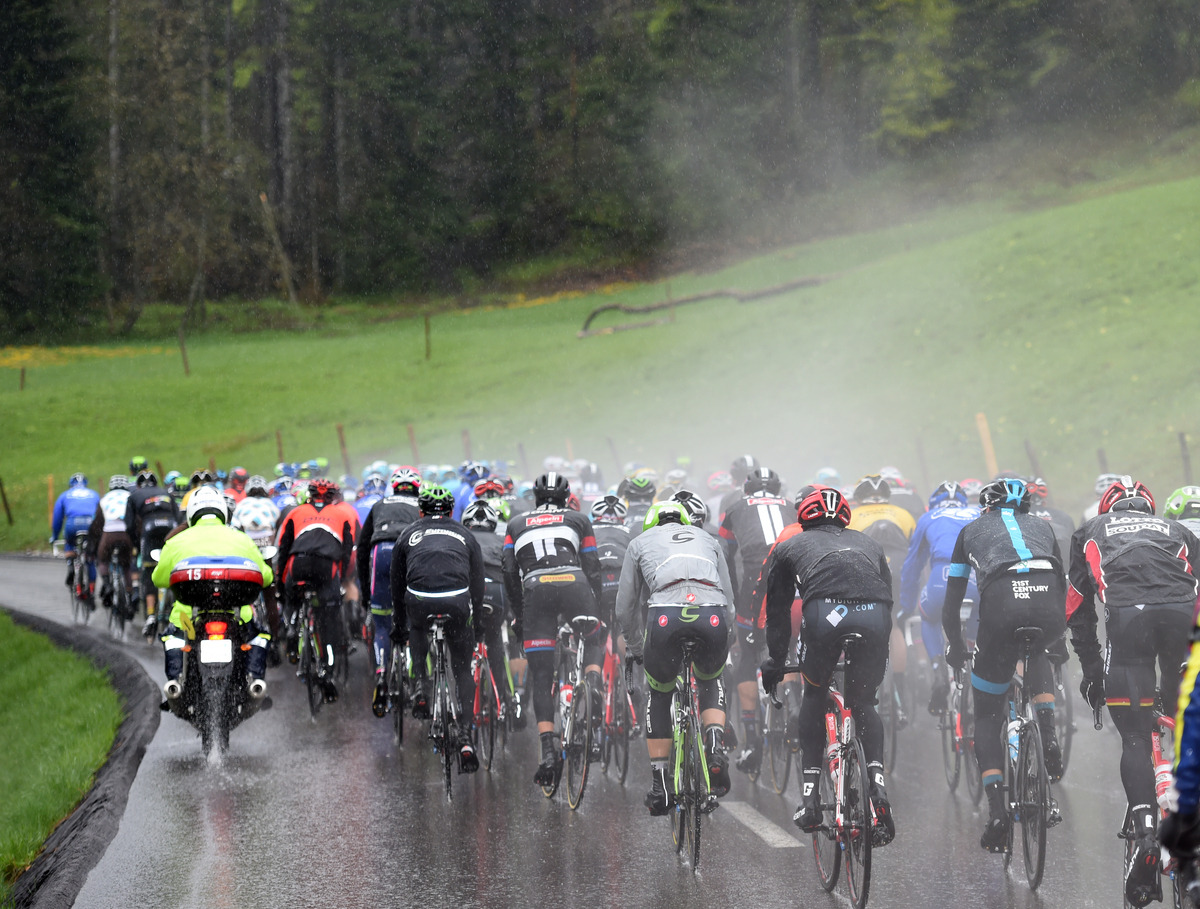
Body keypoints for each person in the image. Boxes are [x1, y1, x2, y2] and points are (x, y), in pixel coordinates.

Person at [1067, 476, 1200, 907]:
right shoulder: (1175, 529)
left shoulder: (1090, 530)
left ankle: (1145, 830)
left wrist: (1090, 672)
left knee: (1137, 735)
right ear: (1150, 509)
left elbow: (1077, 607)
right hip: (1182, 618)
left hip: (1128, 622)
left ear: (1109, 510)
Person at [759, 484, 896, 846]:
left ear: (803, 516)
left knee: (815, 692)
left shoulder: (789, 546)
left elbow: (777, 611)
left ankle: (809, 798)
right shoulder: (869, 543)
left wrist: (776, 660)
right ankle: (878, 784)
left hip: (825, 616)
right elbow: (888, 596)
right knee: (864, 701)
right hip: (875, 616)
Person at [942, 477, 1066, 853]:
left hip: (1000, 607)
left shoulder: (970, 530)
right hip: (1048, 603)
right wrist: (1058, 639)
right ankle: (1048, 732)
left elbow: (952, 602)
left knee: (986, 714)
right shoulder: (1043, 526)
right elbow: (1059, 579)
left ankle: (997, 812)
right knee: (1039, 650)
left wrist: (953, 645)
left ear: (987, 507)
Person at [616, 501, 735, 814]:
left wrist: (636, 647)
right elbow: (730, 602)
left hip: (666, 617)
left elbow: (624, 608)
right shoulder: (709, 540)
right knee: (711, 677)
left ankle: (661, 785)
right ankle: (714, 743)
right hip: (712, 614)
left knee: (659, 691)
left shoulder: (639, 542)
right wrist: (726, 638)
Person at [503, 471, 604, 786]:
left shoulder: (515, 524)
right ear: (565, 497)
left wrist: (520, 617)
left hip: (535, 587)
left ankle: (548, 750)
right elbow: (592, 566)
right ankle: (593, 681)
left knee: (543, 676)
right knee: (595, 636)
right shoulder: (578, 518)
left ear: (535, 498)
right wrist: (596, 609)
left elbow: (508, 572)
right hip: (574, 581)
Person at [390, 484, 484, 772]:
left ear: (421, 511)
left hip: (419, 599)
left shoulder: (408, 533)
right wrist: (475, 622)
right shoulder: (465, 534)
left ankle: (420, 687)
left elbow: (396, 581)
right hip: (457, 601)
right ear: (451, 511)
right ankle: (466, 736)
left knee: (417, 627)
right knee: (462, 669)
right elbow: (477, 584)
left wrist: (399, 624)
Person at [153, 486, 273, 702]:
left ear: (191, 514)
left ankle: (175, 681)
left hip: (187, 618)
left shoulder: (176, 541)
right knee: (259, 635)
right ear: (223, 513)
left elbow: (159, 579)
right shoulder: (242, 539)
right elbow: (266, 577)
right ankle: (254, 679)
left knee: (172, 636)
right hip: (238, 615)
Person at [719, 466, 791, 774]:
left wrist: (733, 600)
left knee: (747, 657)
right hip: (794, 576)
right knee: (790, 646)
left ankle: (751, 742)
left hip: (754, 580)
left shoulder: (734, 507)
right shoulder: (792, 505)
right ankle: (792, 711)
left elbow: (726, 557)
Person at [897, 481, 980, 714]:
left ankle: (938, 669)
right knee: (981, 614)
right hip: (975, 579)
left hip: (941, 578)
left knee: (929, 617)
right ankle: (977, 663)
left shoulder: (928, 517)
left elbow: (912, 567)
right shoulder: (978, 513)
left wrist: (906, 604)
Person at [274, 478, 355, 700]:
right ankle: (327, 671)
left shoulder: (295, 512)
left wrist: (281, 585)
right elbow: (347, 552)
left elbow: (283, 548)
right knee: (328, 622)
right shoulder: (342, 514)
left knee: (291, 596)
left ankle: (291, 627)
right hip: (326, 566)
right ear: (332, 496)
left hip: (297, 564)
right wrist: (343, 578)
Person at [849, 474, 917, 723]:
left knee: (862, 626)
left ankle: (865, 686)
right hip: (898, 572)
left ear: (859, 497)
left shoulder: (852, 515)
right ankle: (898, 691)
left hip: (867, 570)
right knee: (894, 626)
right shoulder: (902, 513)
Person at [357, 467, 422, 714]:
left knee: (382, 623)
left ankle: (382, 675)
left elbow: (362, 550)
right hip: (409, 551)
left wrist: (366, 596)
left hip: (380, 552)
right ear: (417, 488)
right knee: (417, 619)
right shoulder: (421, 505)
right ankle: (419, 681)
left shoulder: (380, 504)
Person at [462, 499, 523, 727]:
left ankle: (463, 699)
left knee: (463, 641)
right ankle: (502, 701)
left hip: (470, 591)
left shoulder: (463, 538)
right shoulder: (501, 539)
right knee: (495, 639)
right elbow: (512, 572)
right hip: (497, 592)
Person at [124, 469, 182, 636]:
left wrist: (136, 545)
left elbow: (129, 525)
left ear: (139, 484)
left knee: (149, 572)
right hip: (170, 527)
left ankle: (150, 615)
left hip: (149, 530)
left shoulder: (134, 495)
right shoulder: (165, 492)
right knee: (173, 566)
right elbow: (179, 519)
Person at [51, 473, 101, 607]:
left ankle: (71, 565)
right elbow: (101, 514)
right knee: (90, 557)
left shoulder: (65, 495)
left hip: (72, 524)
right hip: (90, 523)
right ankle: (91, 590)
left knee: (70, 543)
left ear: (71, 485)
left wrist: (54, 536)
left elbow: (57, 519)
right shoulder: (94, 494)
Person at [87, 475, 133, 615]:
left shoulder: (105, 498)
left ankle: (107, 584)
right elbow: (136, 520)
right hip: (126, 534)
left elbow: (97, 524)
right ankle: (130, 597)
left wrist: (94, 542)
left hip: (109, 535)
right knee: (126, 565)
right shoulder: (131, 497)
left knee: (103, 559)